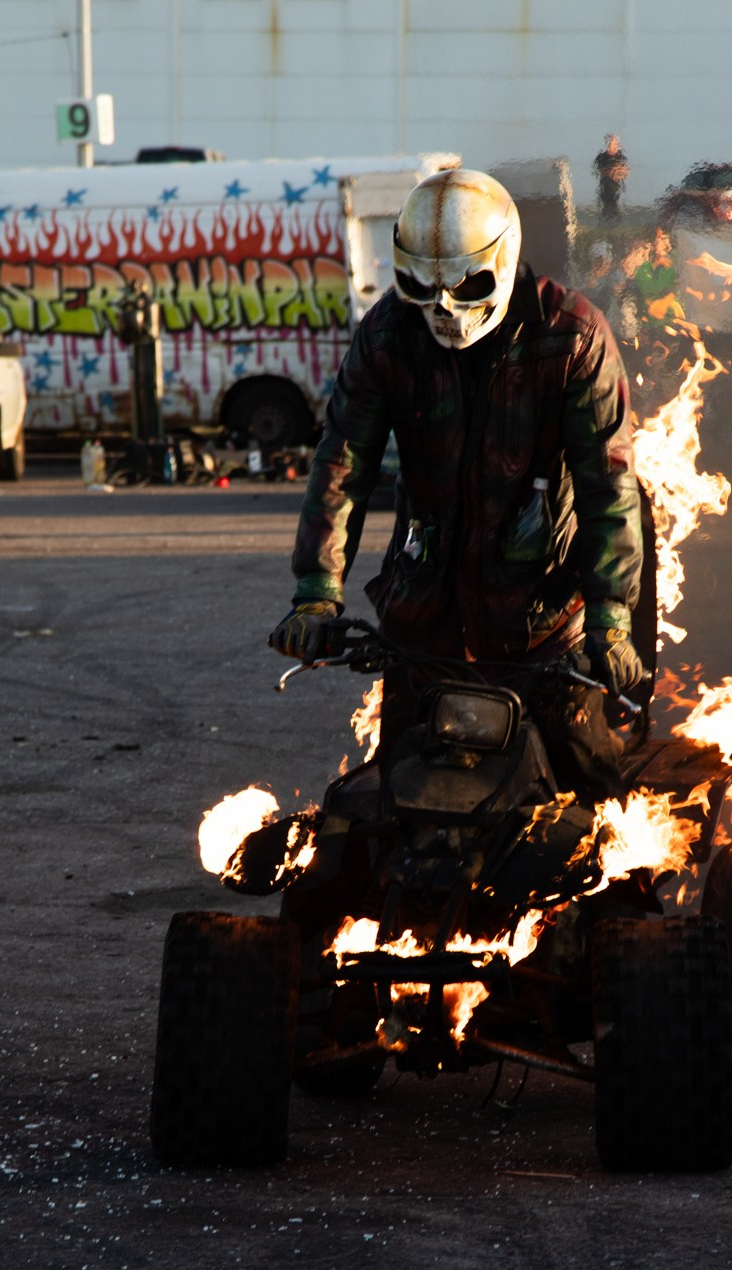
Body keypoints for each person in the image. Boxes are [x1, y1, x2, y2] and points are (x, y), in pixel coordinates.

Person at [270, 169, 644, 798]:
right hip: (425, 620)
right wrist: (315, 590)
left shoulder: (572, 337)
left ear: (503, 259)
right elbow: (343, 464)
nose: (442, 307)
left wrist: (610, 616)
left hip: (542, 621)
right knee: (397, 798)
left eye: (465, 285)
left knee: (588, 785)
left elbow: (608, 484)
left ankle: (624, 887)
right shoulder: (387, 336)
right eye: (422, 285)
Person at [594, 133, 629, 222]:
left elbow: (625, 171)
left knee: (616, 204)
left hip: (618, 187)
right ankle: (607, 221)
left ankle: (615, 220)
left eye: (613, 143)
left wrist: (616, 171)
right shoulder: (601, 157)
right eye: (609, 143)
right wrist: (613, 171)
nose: (611, 145)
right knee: (607, 203)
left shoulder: (621, 157)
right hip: (605, 185)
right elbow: (600, 170)